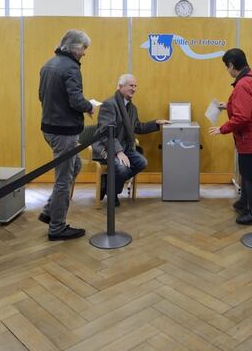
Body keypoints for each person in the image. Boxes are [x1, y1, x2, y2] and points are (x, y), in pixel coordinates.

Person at [208, 48, 252, 225]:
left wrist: (222, 129)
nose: (227, 70)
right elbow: (249, 106)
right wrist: (229, 105)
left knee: (249, 177)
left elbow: (242, 117)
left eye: (226, 67)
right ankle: (243, 203)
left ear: (231, 65)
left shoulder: (242, 85)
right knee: (247, 174)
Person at [37, 30, 95, 240]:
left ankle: (49, 211)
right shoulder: (71, 68)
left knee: (75, 167)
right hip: (63, 132)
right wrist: (89, 106)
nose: (85, 53)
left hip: (49, 128)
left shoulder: (48, 64)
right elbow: (76, 101)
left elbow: (41, 96)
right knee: (63, 179)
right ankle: (57, 227)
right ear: (74, 47)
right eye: (84, 48)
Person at [92, 74, 170, 205]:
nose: (134, 89)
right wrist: (119, 152)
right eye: (131, 85)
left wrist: (156, 123)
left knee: (142, 162)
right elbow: (106, 132)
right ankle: (112, 193)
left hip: (125, 147)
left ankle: (110, 187)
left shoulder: (132, 108)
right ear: (121, 86)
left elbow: (137, 127)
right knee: (123, 170)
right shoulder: (109, 104)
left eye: (135, 86)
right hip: (107, 147)